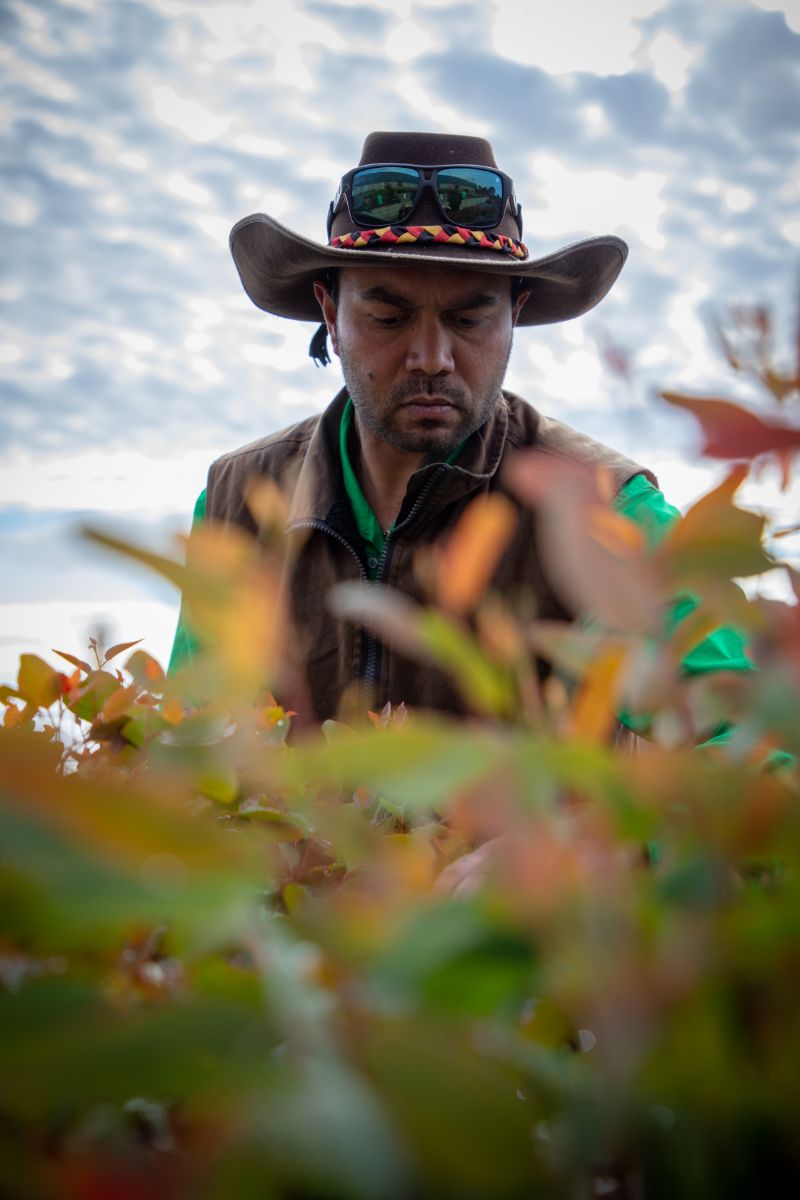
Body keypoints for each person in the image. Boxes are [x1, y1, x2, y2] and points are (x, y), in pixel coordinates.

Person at [169, 131, 751, 725]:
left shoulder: (603, 507)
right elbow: (183, 745)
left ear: (514, 316)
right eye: (389, 316)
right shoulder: (235, 501)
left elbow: (745, 744)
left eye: (469, 318)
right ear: (330, 314)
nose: (431, 357)